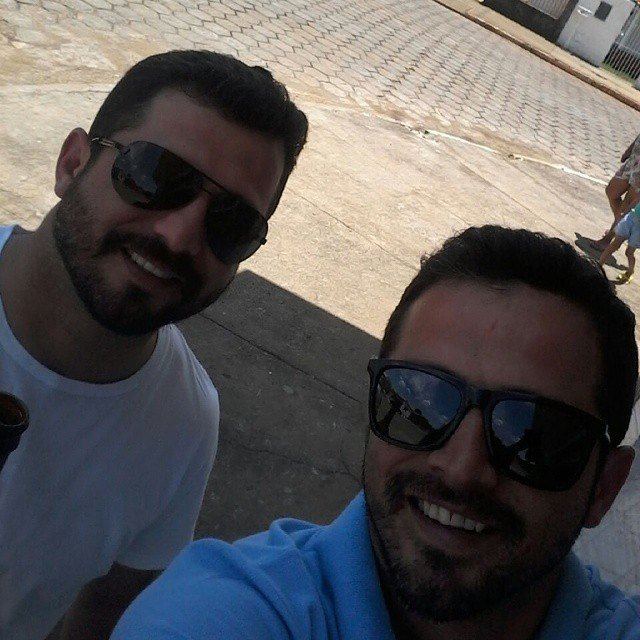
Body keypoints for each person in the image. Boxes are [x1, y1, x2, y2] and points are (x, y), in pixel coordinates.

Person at [112, 225, 639, 640]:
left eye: (533, 435)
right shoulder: (223, 612)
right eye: (421, 401)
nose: (461, 470)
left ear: (606, 487)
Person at [0, 50, 308, 640]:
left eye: (231, 224)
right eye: (155, 176)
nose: (180, 235)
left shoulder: (185, 422)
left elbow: (106, 611)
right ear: (72, 163)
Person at [591, 136, 640, 250]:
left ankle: (607, 240)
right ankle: (621, 227)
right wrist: (629, 150)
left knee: (627, 205)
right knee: (611, 191)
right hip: (634, 160)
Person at [598, 202, 640, 284]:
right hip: (631, 218)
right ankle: (598, 266)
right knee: (613, 245)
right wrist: (623, 215)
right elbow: (635, 201)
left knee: (629, 252)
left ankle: (630, 271)